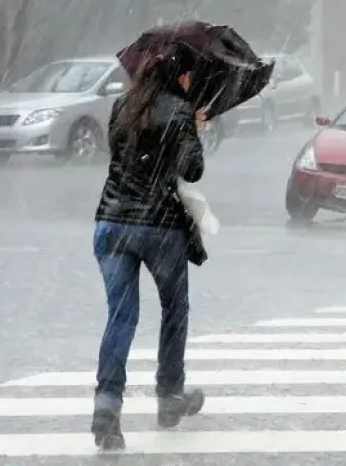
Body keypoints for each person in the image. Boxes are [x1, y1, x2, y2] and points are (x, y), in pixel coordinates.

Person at [91, 44, 208, 450]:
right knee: (174, 310)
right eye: (189, 75)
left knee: (120, 318)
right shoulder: (179, 111)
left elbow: (124, 159)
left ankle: (107, 405)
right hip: (159, 228)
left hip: (111, 224)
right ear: (179, 76)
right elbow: (191, 169)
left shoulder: (121, 106)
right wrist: (193, 126)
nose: (191, 81)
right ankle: (169, 396)